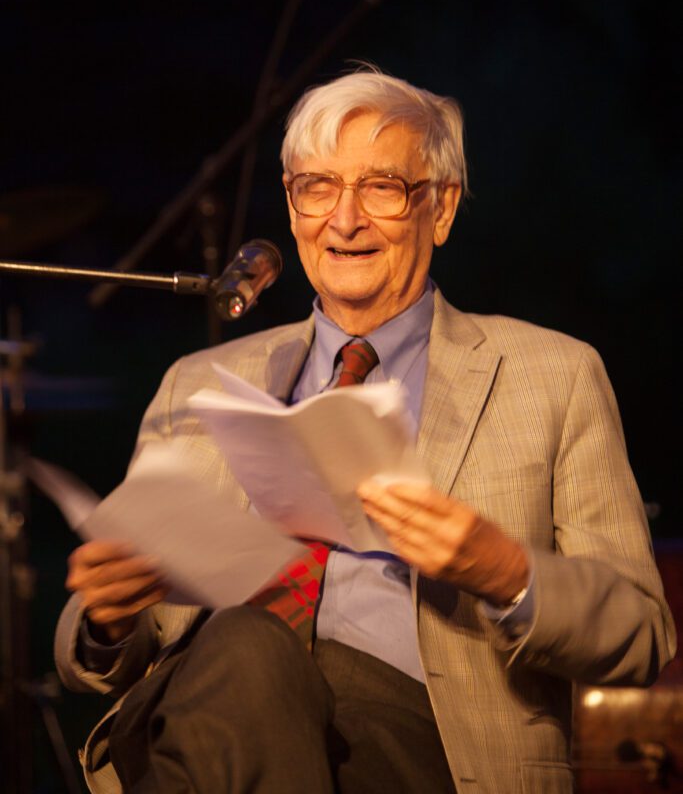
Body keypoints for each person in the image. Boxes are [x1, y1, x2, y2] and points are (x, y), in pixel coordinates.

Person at [55, 69, 675, 794]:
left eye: (380, 188)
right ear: (291, 206)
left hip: (418, 741)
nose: (343, 221)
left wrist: (504, 571)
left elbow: (641, 635)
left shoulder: (551, 375)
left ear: (439, 209)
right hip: (205, 704)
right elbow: (112, 656)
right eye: (317, 187)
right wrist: (106, 618)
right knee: (247, 647)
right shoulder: (196, 382)